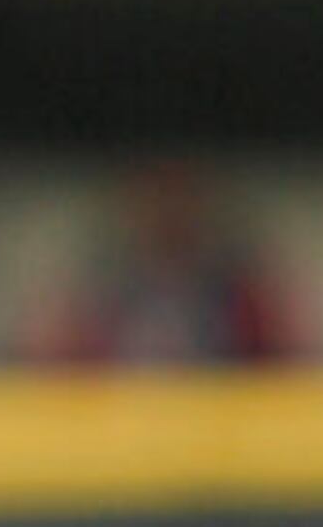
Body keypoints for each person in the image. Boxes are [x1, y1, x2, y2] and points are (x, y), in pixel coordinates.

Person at [18, 158, 305, 370]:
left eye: (179, 197)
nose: (168, 211)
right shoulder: (99, 288)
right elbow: (53, 361)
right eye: (156, 198)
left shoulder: (238, 290)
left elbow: (287, 363)